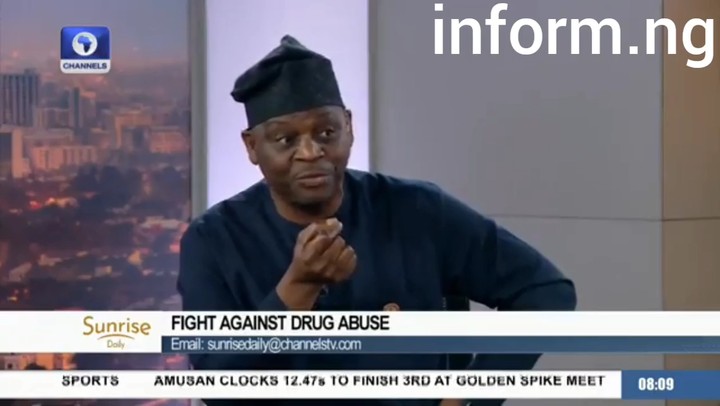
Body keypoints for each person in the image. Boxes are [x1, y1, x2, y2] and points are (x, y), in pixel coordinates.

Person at [178, 35, 577, 406]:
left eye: (327, 132)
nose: (311, 152)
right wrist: (297, 289)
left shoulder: (418, 210)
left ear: (349, 128)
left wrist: (468, 396)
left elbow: (545, 292)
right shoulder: (213, 240)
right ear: (252, 146)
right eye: (286, 140)